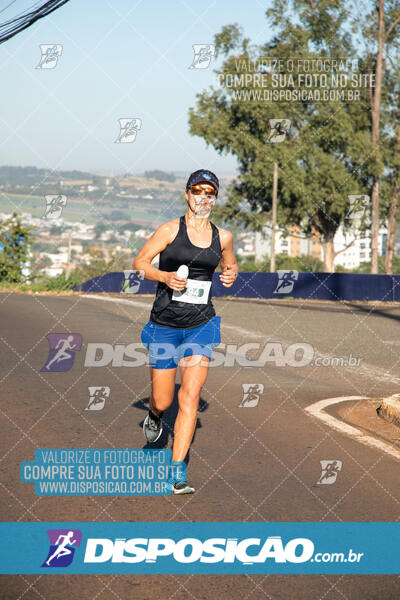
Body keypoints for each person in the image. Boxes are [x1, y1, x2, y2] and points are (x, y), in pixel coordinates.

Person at [133, 169, 238, 494]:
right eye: (197, 190)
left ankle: (177, 474)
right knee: (164, 400)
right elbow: (139, 263)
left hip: (201, 325)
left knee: (190, 396)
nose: (203, 197)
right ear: (187, 194)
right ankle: (154, 415)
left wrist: (230, 274)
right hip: (165, 325)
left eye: (210, 192)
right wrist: (164, 277)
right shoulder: (169, 230)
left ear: (215, 198)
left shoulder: (224, 237)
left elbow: (229, 264)